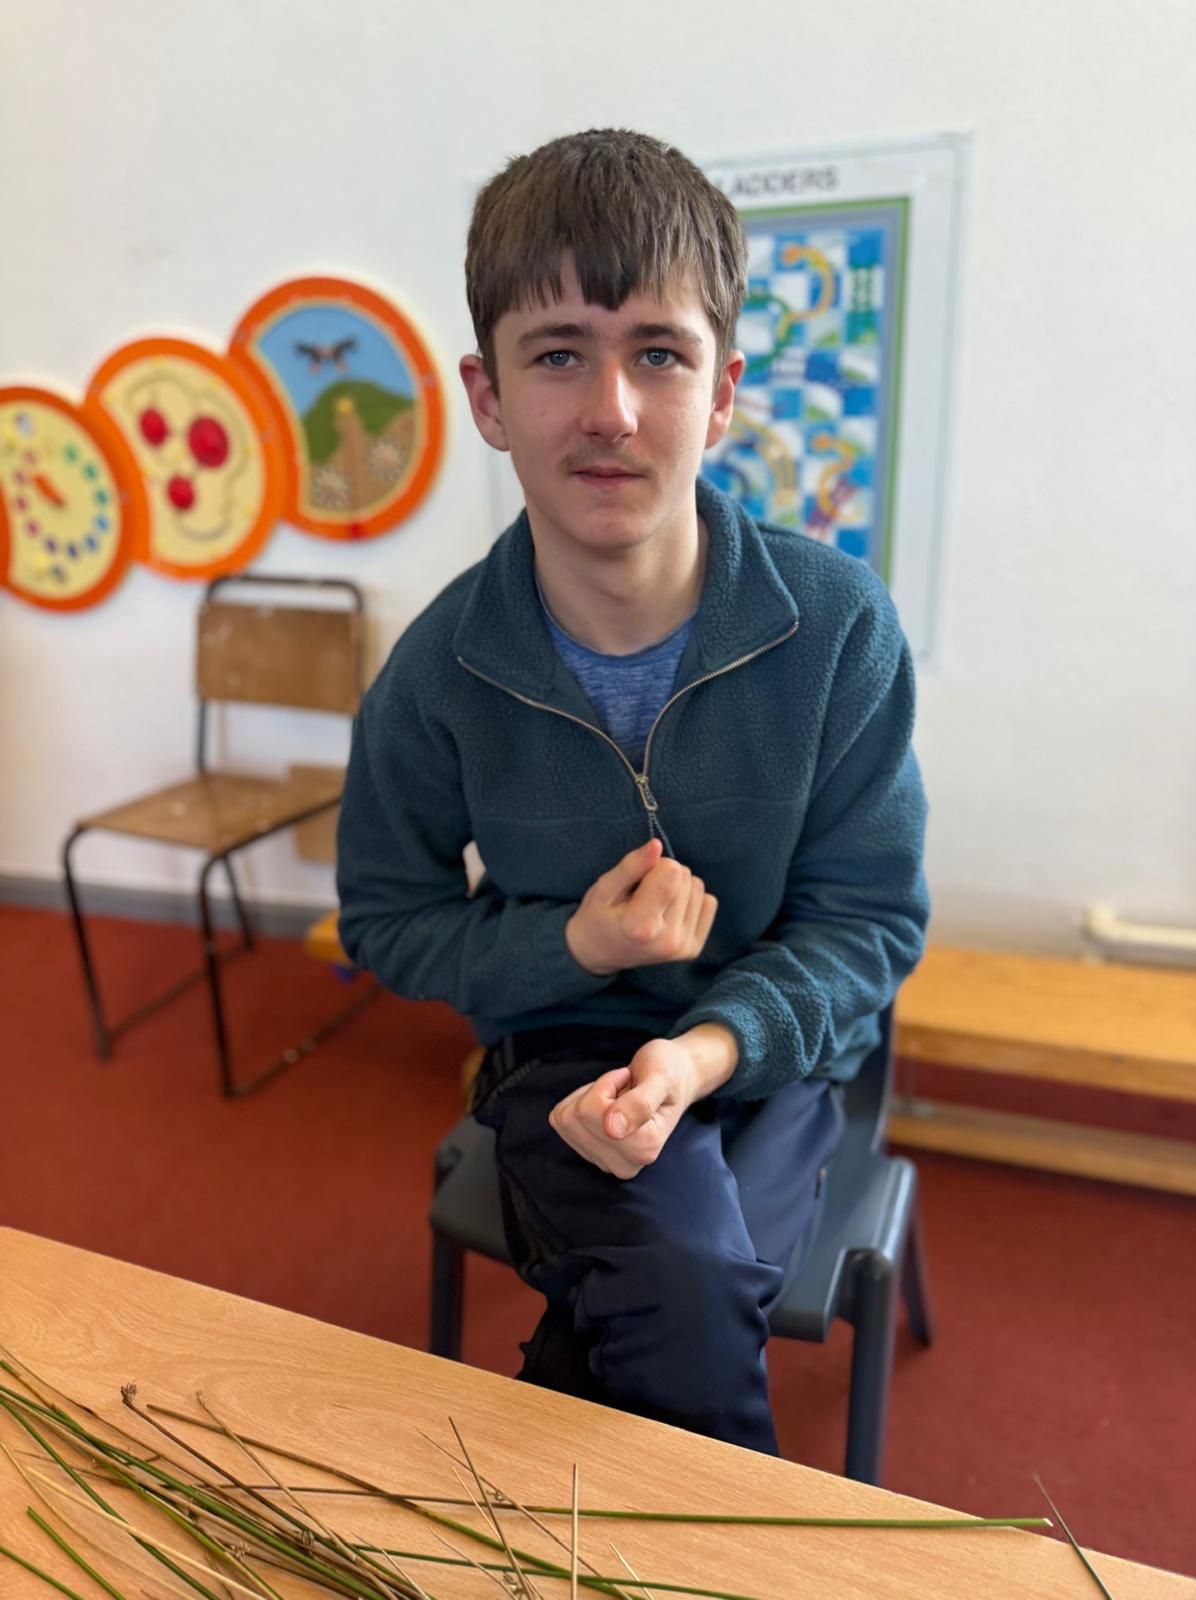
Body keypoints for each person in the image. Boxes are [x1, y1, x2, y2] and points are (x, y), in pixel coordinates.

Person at [337, 128, 929, 1456]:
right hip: (563, 1050)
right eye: (560, 353)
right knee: (692, 1279)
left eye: (658, 352)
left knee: (670, 1289)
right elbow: (385, 917)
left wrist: (704, 1049)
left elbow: (867, 925)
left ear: (720, 395)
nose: (610, 407)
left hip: (772, 1055)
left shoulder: (836, 627)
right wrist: (574, 944)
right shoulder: (439, 671)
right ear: (489, 398)